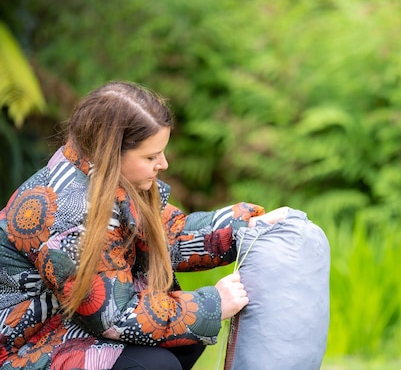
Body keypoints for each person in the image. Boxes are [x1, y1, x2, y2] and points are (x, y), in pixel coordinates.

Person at [0, 81, 288, 370]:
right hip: (23, 348)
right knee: (154, 365)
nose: (163, 164)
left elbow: (170, 233)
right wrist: (212, 305)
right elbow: (114, 315)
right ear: (111, 151)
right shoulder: (68, 212)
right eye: (151, 156)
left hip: (70, 324)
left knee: (185, 340)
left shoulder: (111, 179)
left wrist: (245, 229)